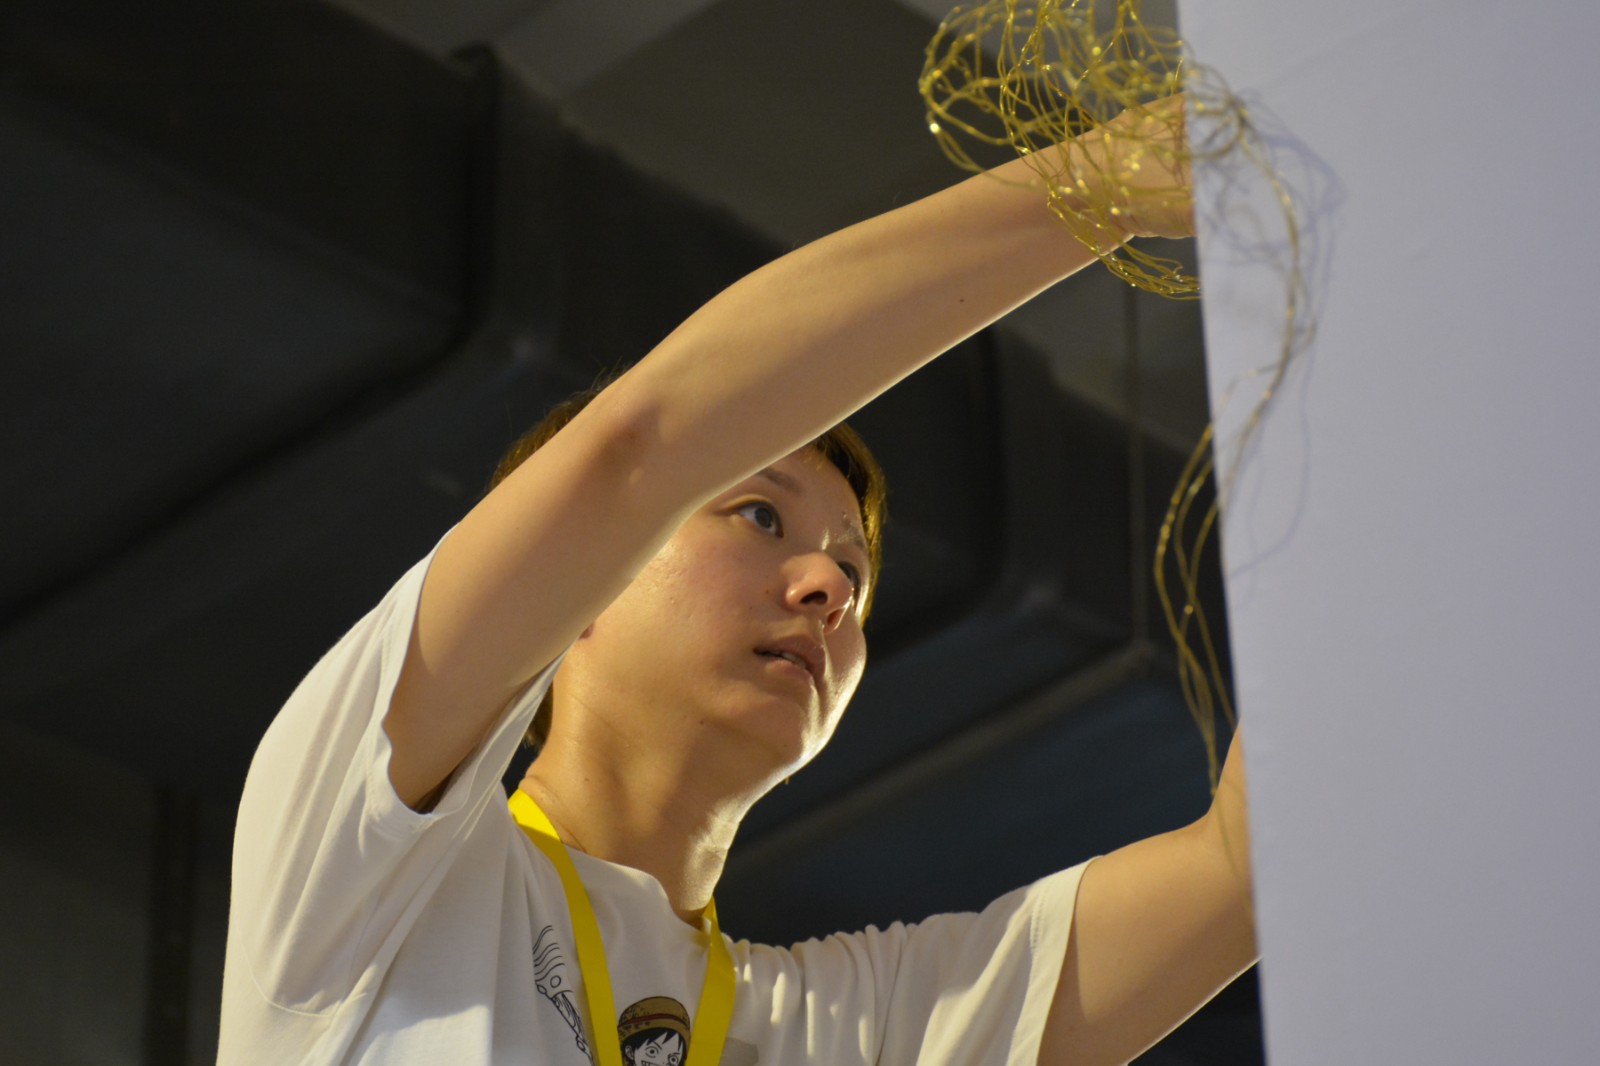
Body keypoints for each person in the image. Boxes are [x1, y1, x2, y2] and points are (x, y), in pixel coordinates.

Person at [219, 95, 1256, 1065]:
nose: (828, 588)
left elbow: (1251, 867)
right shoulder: (372, 853)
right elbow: (641, 448)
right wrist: (1098, 183)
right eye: (759, 515)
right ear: (582, 589)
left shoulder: (834, 1027)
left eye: (854, 571)